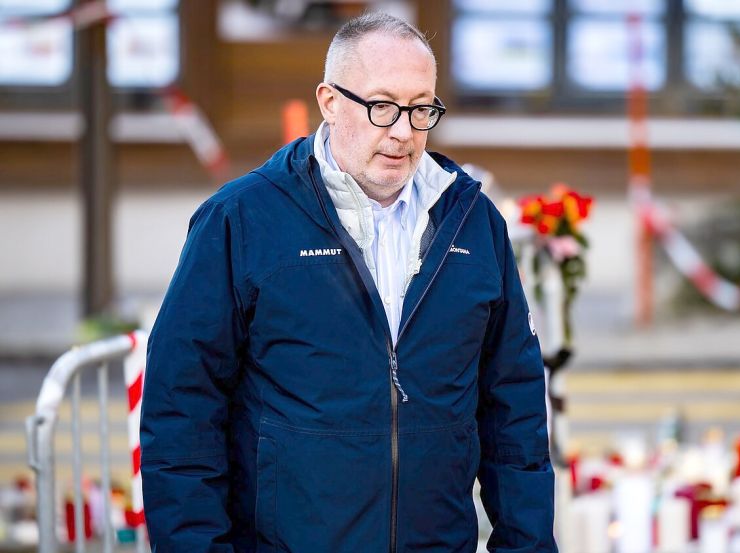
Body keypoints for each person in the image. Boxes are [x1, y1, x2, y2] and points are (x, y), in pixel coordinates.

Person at [140, 11, 557, 553]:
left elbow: (514, 412)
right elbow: (181, 413)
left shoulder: (473, 220)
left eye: (421, 108)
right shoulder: (240, 220)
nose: (404, 131)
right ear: (329, 102)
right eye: (382, 106)